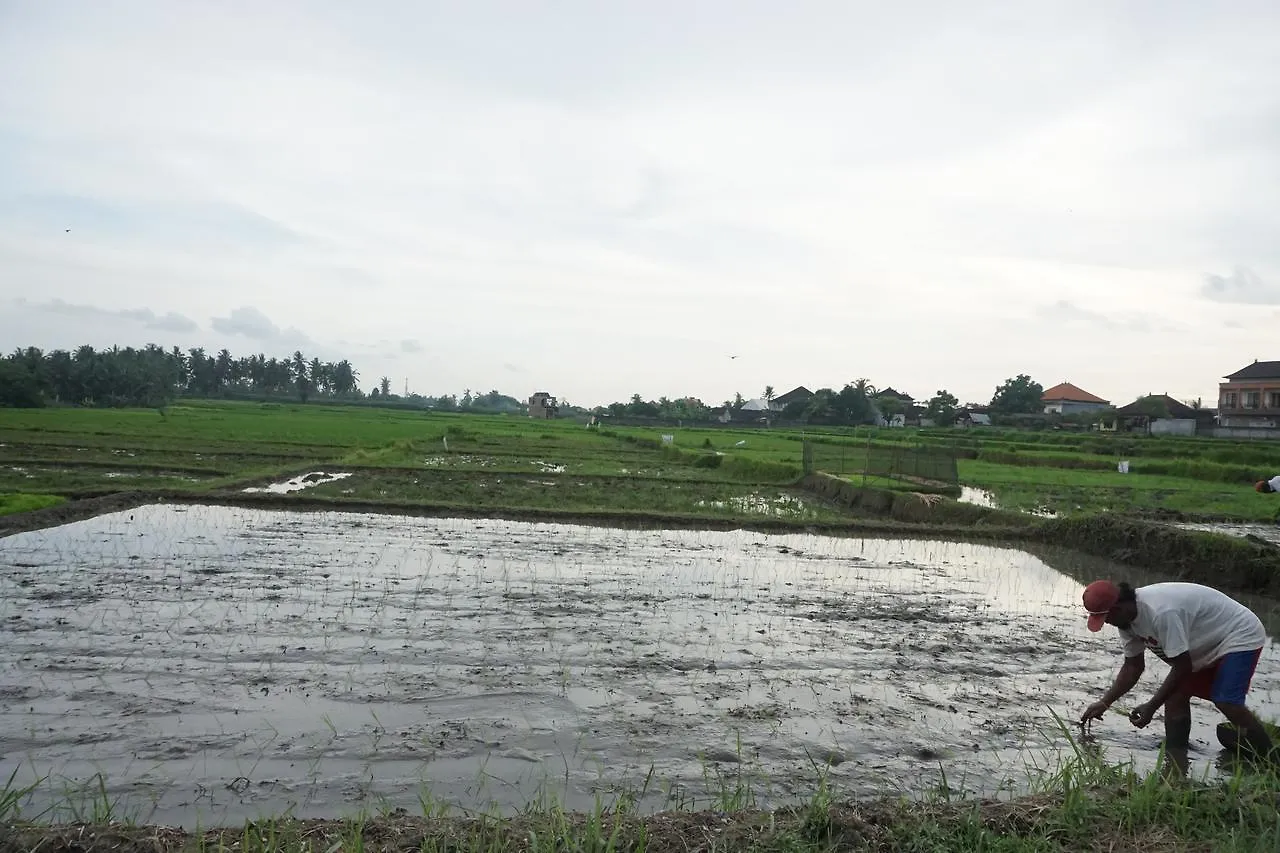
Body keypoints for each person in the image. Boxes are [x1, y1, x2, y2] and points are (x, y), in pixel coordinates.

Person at [1078, 579, 1273, 759]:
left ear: (1118, 607)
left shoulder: (1161, 612)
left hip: (1238, 633)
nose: (1107, 624)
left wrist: (1151, 706)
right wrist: (1104, 703)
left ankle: (1270, 759)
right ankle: (1177, 758)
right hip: (1203, 639)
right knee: (1175, 694)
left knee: (1226, 700)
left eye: (1106, 618)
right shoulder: (1126, 623)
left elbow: (1182, 667)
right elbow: (1133, 667)